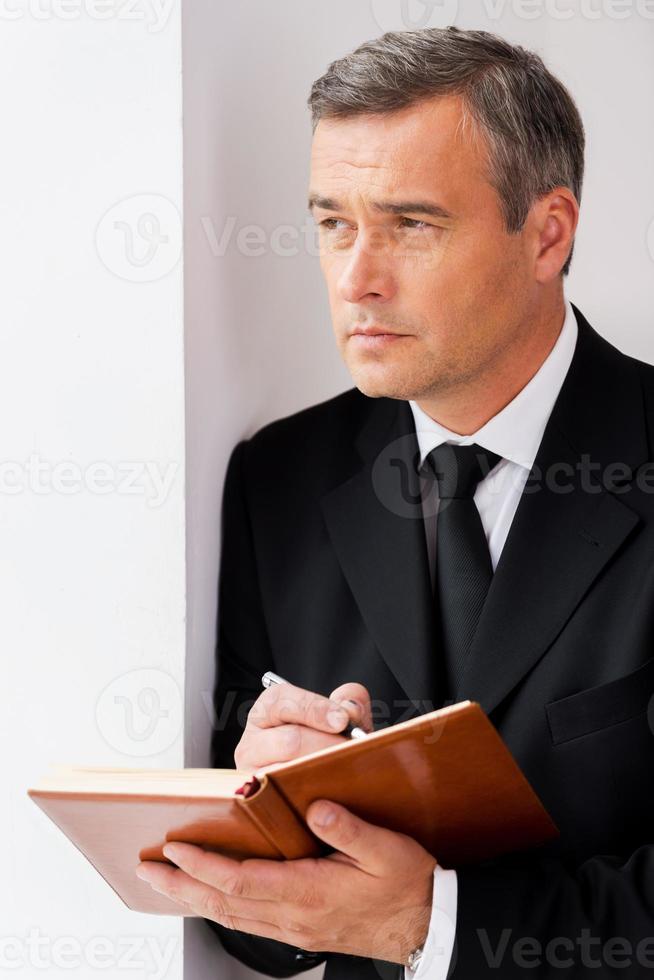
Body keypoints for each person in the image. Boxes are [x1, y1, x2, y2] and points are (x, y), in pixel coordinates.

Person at [135, 27, 654, 980]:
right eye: (334, 222)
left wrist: (431, 921)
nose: (355, 278)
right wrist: (264, 816)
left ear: (548, 234)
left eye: (412, 224)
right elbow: (248, 931)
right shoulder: (277, 481)